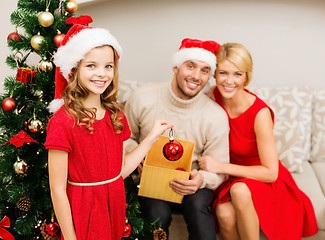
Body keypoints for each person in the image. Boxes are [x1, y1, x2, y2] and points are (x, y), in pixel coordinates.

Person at [44, 17, 172, 240]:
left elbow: (119, 172)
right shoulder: (62, 122)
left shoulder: (115, 115)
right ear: (74, 69)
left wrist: (151, 137)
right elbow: (57, 189)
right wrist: (70, 237)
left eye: (108, 66)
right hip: (83, 209)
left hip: (113, 204)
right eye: (91, 65)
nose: (102, 73)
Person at [198, 42, 318, 240]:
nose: (229, 81)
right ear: (214, 74)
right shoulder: (212, 96)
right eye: (223, 73)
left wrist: (220, 166)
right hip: (230, 176)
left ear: (247, 76)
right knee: (224, 214)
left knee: (240, 191)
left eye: (237, 74)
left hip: (260, 177)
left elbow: (270, 173)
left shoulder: (259, 113)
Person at [124, 38, 229, 240]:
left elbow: (219, 170)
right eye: (190, 66)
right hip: (150, 179)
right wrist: (137, 157)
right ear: (175, 67)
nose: (196, 76)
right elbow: (124, 138)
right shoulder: (142, 98)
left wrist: (202, 180)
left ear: (209, 76)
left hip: (192, 183)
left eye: (205, 70)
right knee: (156, 213)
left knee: (198, 208)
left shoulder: (215, 116)